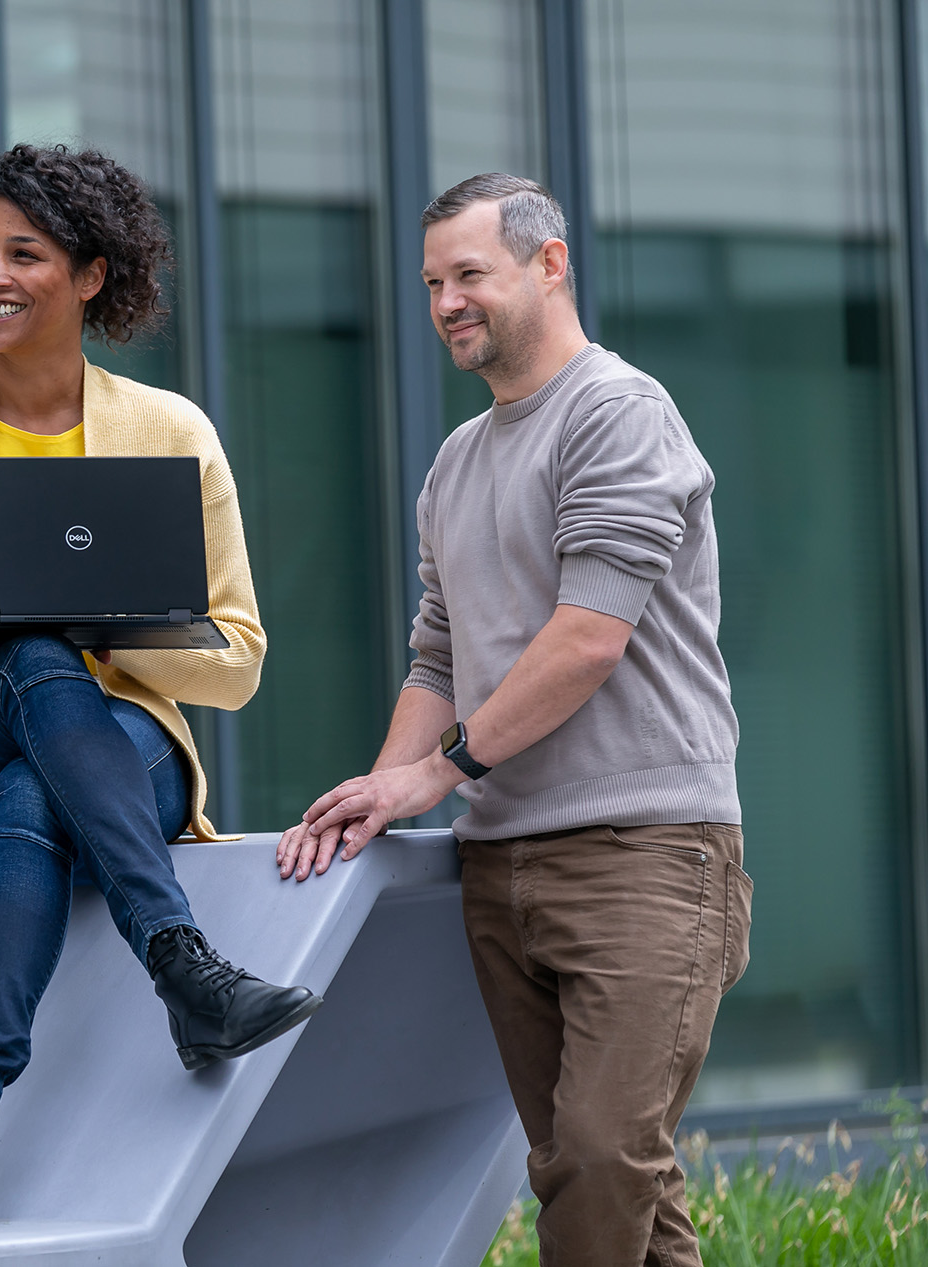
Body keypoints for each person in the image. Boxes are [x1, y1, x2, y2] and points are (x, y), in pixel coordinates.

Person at [0, 144, 321, 1234]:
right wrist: (4, 621)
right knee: (35, 656)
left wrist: (99, 622)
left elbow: (234, 661)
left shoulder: (171, 433)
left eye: (23, 254)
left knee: (33, 797)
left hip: (107, 756)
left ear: (91, 276)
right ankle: (182, 965)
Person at [278, 172, 750, 1265]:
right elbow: (438, 656)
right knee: (604, 1174)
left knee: (598, 1154)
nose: (445, 301)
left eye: (469, 275)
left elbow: (588, 635)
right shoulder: (455, 462)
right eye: (433, 281)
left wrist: (434, 774)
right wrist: (375, 795)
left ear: (549, 264)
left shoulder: (618, 413)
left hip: (646, 852)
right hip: (501, 865)